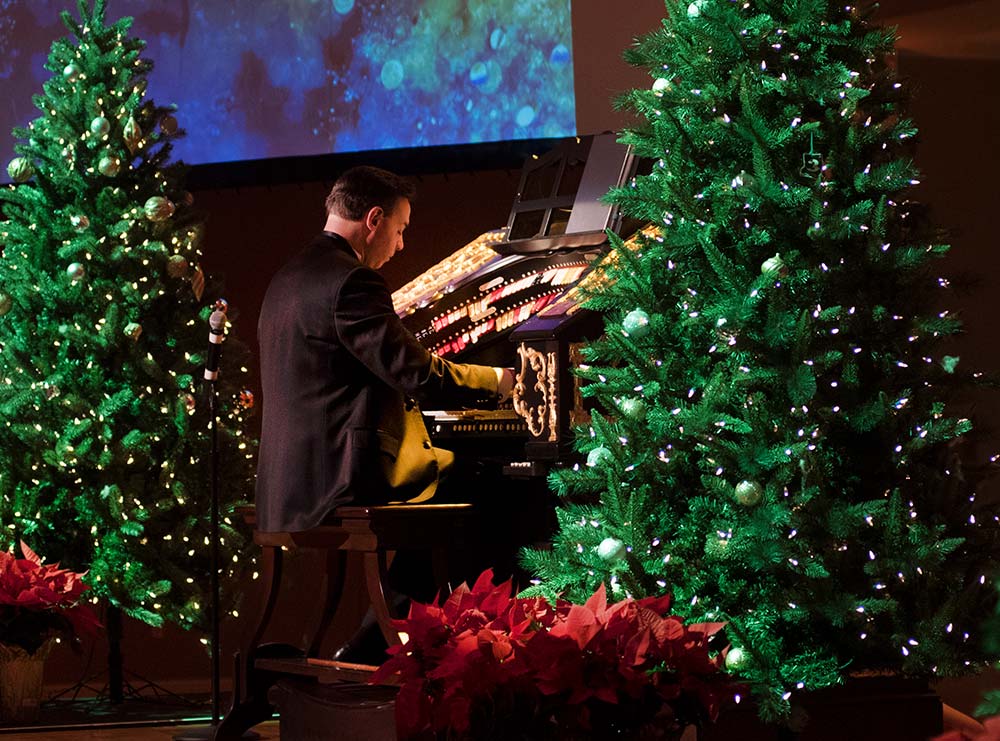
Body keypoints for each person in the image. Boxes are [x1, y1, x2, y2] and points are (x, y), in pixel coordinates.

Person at [254, 166, 514, 660]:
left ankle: (380, 642)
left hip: (290, 478)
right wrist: (498, 381)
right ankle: (447, 654)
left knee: (451, 487)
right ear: (373, 219)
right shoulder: (352, 282)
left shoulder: (289, 275)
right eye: (399, 230)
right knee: (489, 484)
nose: (399, 246)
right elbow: (415, 373)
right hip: (342, 475)